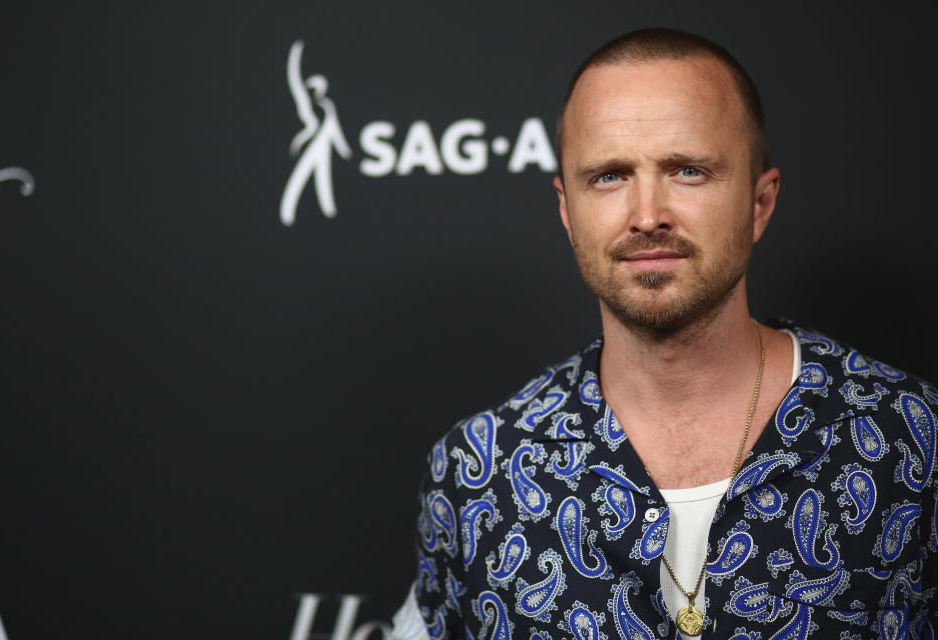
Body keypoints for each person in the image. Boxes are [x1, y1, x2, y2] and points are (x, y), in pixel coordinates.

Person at [392, 28, 937, 640]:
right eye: (608, 176)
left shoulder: (910, 441)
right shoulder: (478, 472)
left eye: (688, 170)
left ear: (760, 203)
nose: (648, 215)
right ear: (567, 210)